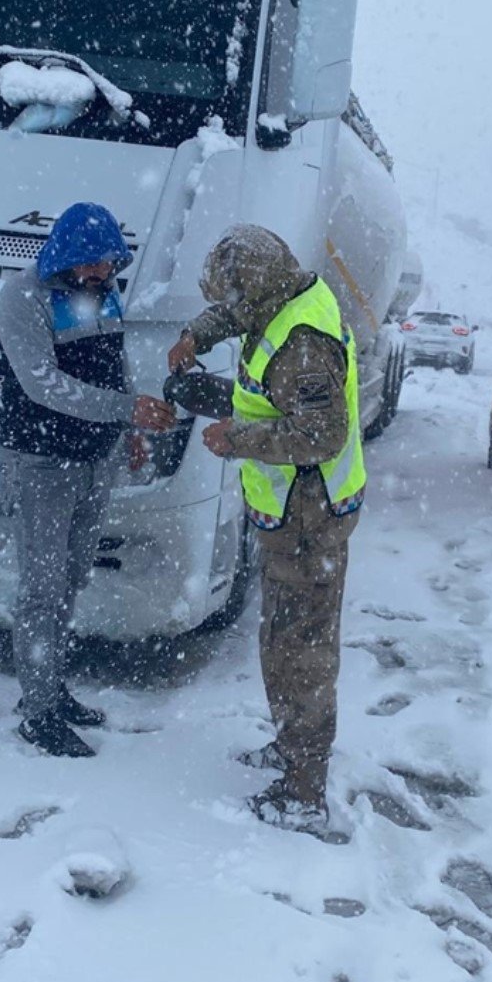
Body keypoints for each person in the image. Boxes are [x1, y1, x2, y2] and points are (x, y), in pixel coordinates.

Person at [166, 224, 365, 834]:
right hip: (290, 517)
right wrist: (194, 333)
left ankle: (304, 792)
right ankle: (290, 747)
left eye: (233, 300)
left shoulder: (302, 344)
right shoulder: (285, 297)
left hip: (311, 519)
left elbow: (321, 436)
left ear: (255, 290)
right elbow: (234, 317)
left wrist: (237, 439)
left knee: (301, 652)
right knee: (280, 639)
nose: (229, 312)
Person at [0, 202, 177, 757]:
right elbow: (42, 385)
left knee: (71, 579)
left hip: (94, 461)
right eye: (94, 264)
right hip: (40, 464)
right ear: (67, 254)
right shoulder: (21, 297)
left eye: (109, 263)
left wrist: (129, 433)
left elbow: (112, 357)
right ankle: (38, 711)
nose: (104, 274)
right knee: (41, 590)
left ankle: (53, 688)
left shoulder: (101, 288)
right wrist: (127, 409)